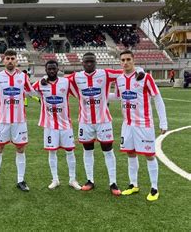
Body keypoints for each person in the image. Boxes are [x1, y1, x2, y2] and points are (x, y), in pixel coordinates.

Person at [64, 52, 144, 196]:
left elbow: (125, 71)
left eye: (92, 61)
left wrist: (139, 70)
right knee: (87, 150)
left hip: (104, 121)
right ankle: (90, 180)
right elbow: (60, 81)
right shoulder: (76, 76)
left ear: (96, 62)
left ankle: (113, 182)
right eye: (86, 62)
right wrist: (45, 78)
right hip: (85, 121)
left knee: (108, 150)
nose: (89, 64)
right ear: (82, 63)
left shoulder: (105, 74)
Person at [112, 50, 167, 201]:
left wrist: (163, 122)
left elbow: (157, 98)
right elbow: (117, 97)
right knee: (131, 153)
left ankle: (154, 188)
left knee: (149, 155)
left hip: (144, 124)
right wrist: (94, 96)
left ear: (133, 60)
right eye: (122, 60)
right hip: (127, 125)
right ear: (120, 62)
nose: (125, 62)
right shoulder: (119, 80)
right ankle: (133, 184)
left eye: (128, 59)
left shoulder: (145, 77)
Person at [0, 50, 34, 192]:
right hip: (3, 120)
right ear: (3, 60)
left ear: (16, 61)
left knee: (20, 148)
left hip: (19, 121)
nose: (10, 61)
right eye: (8, 58)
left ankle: (21, 180)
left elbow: (31, 91)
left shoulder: (23, 77)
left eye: (13, 58)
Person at [32, 60, 82, 190]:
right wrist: (42, 80)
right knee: (52, 152)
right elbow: (29, 90)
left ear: (58, 69)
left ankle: (72, 179)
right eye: (49, 69)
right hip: (49, 125)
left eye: (54, 69)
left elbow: (78, 91)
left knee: (70, 151)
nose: (52, 71)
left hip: (66, 124)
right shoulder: (40, 84)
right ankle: (55, 179)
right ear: (45, 70)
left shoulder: (66, 82)